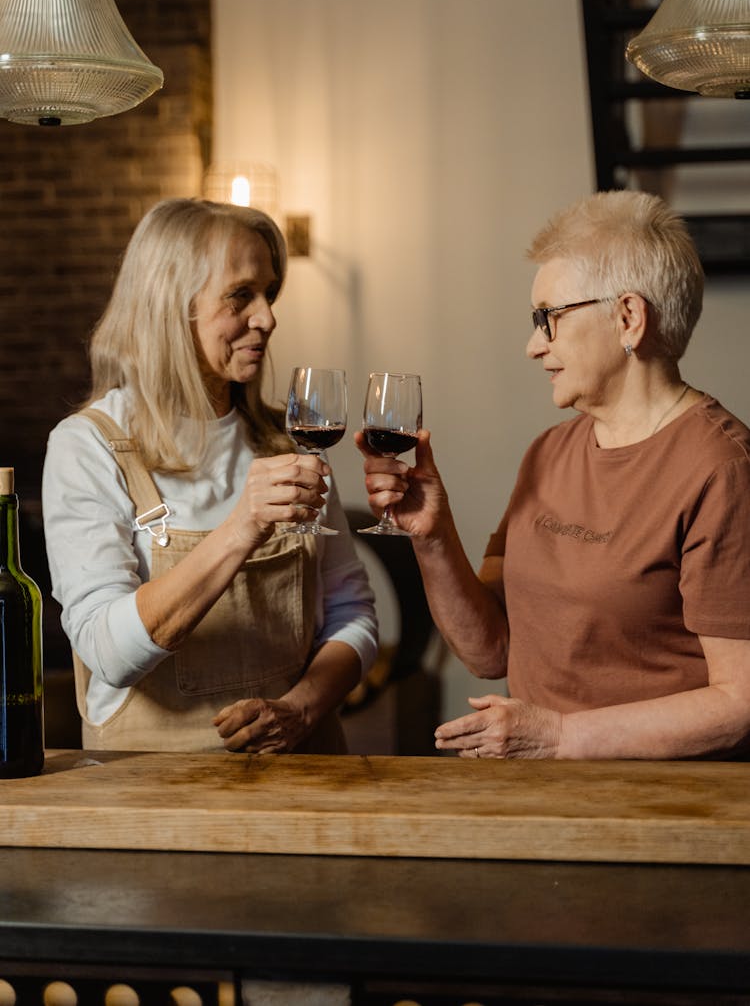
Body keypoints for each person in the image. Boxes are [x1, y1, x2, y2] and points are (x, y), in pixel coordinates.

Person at [356, 189, 750, 760]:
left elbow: (739, 701)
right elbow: (491, 652)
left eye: (549, 319)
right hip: (542, 791)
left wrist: (560, 735)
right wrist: (434, 537)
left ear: (628, 318)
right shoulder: (549, 452)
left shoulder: (723, 470)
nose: (533, 346)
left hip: (666, 806)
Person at [42, 198, 377, 754]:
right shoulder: (88, 446)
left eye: (269, 293)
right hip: (151, 793)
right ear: (171, 306)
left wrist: (302, 708)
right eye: (240, 295)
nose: (268, 317)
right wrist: (242, 526)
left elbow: (353, 614)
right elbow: (108, 654)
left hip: (304, 772)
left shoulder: (287, 441)